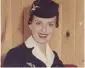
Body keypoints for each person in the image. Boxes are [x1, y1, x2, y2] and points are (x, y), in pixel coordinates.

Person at [3, 0, 64, 67]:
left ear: (55, 26)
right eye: (38, 23)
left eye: (50, 24)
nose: (44, 30)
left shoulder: (55, 59)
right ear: (30, 24)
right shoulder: (15, 55)